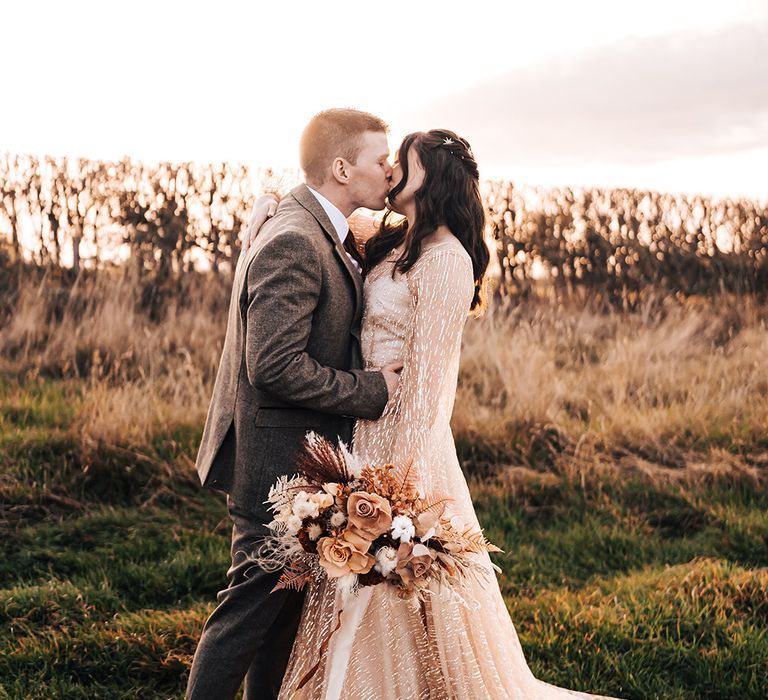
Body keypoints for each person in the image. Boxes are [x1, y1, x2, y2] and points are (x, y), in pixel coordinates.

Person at [247, 129, 621, 699]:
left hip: (403, 449)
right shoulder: (395, 241)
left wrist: (388, 485)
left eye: (406, 163)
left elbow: (426, 389)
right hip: (358, 434)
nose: (392, 170)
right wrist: (269, 207)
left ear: (435, 178)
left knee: (395, 580)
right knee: (347, 583)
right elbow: (321, 216)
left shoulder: (448, 259)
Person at [186, 108, 404, 700]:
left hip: (299, 462)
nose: (390, 171)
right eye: (380, 160)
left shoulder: (314, 228)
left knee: (282, 617)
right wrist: (371, 388)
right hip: (274, 463)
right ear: (341, 167)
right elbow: (274, 366)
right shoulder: (295, 241)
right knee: (247, 614)